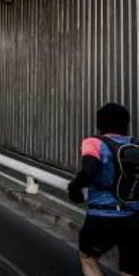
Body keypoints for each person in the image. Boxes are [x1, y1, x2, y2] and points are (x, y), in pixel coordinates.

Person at [68, 103, 138, 276]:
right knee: (131, 269)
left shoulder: (94, 143)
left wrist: (74, 189)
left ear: (99, 124)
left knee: (88, 258)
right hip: (134, 218)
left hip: (102, 217)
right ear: (126, 123)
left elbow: (89, 170)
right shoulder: (136, 145)